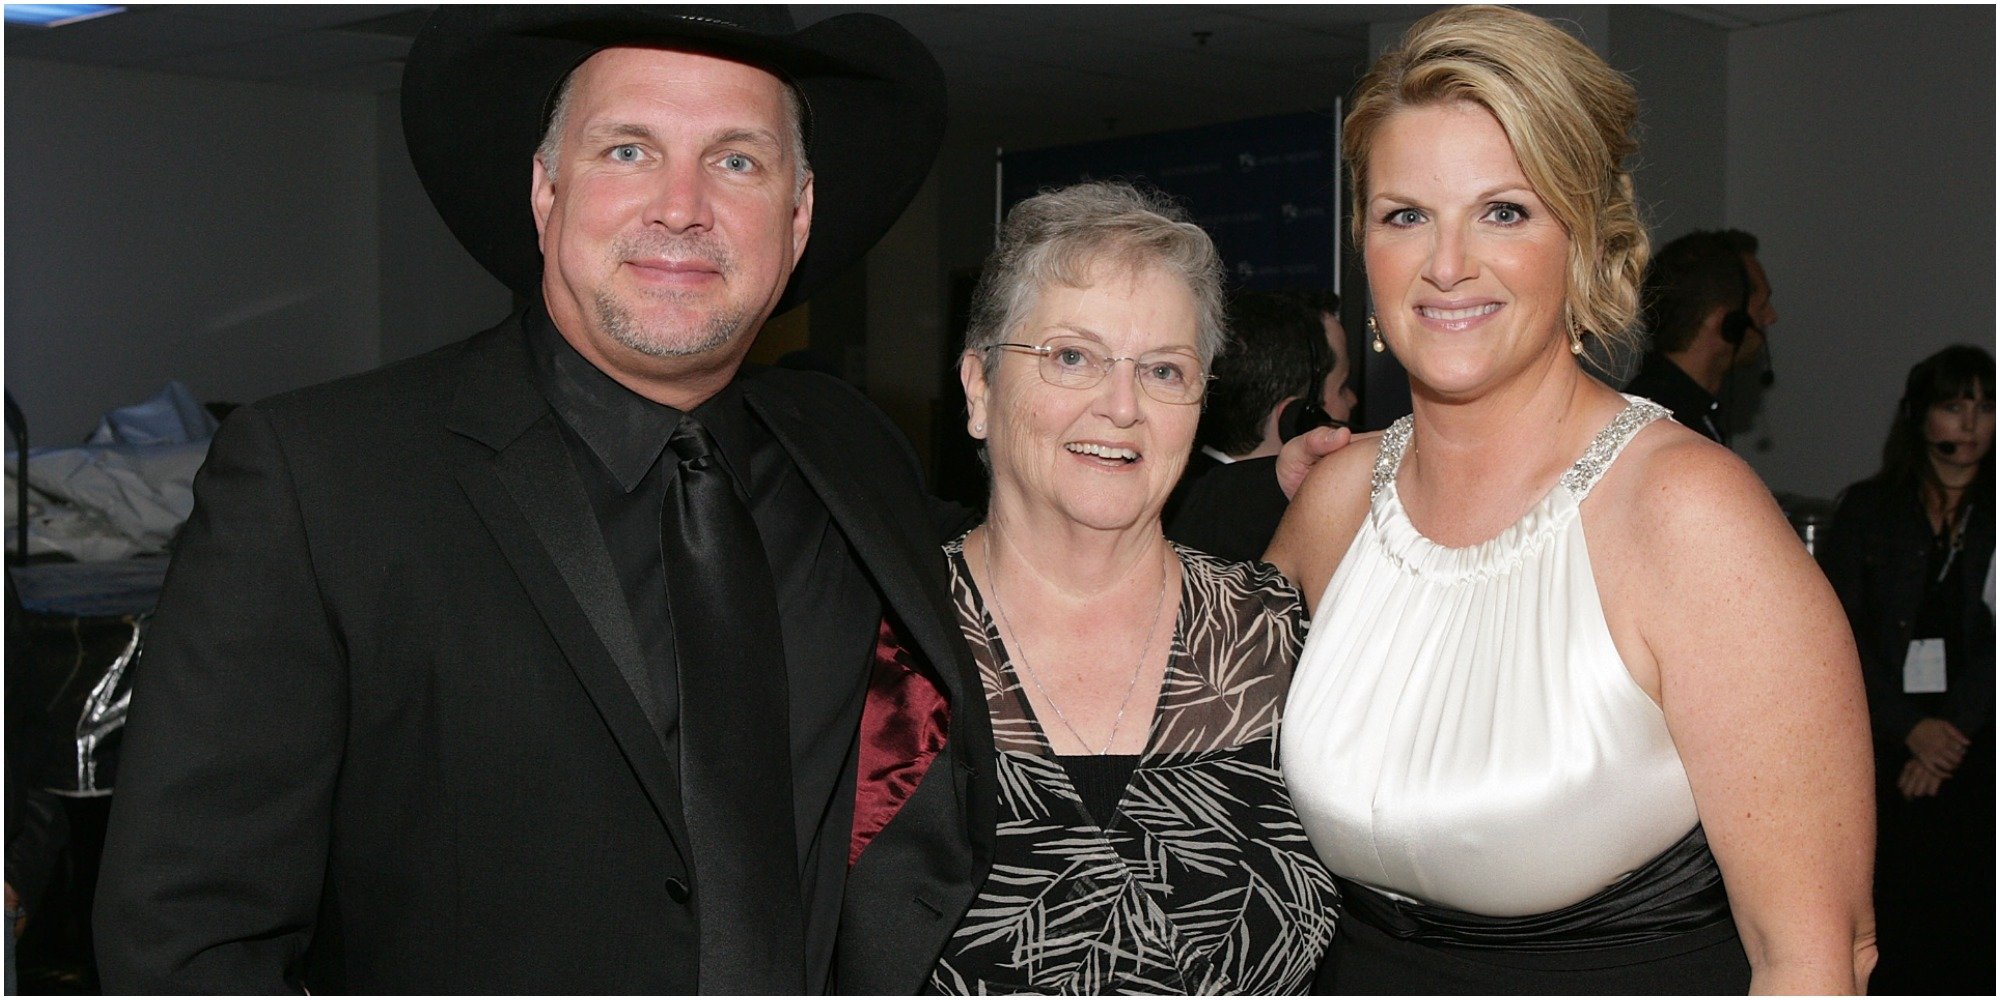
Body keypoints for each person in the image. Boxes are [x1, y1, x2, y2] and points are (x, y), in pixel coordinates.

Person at [92, 7, 993, 993]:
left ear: (799, 212)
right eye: (627, 149)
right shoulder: (318, 478)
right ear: (545, 187)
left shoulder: (852, 450)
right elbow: (185, 934)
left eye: (737, 162)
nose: (682, 205)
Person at [1267, 6, 1875, 993]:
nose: (1445, 261)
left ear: (1583, 236)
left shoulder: (1686, 515)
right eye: (1403, 213)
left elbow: (1814, 956)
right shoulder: (1334, 501)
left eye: (1502, 210)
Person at [926, 182, 1336, 994]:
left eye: (1162, 369)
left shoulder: (1284, 637)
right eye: (1071, 356)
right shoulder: (883, 639)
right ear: (978, 389)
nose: (1121, 406)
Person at [1818, 344, 1995, 995]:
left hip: (1978, 750)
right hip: (1883, 744)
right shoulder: (1869, 509)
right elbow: (1835, 637)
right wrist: (1909, 728)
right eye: (1955, 407)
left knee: (1973, 921)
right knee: (1894, 917)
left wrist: (1948, 734)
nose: (1972, 425)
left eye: (1986, 406)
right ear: (1921, 417)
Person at [1167, 290, 1355, 560]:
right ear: (1297, 417)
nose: (1353, 399)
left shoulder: (1181, 504)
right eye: (1343, 386)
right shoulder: (1296, 535)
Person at [1625, 229, 1777, 443]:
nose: (1772, 317)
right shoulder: (1669, 430)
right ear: (1727, 322)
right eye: (1761, 307)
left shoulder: (1671, 409)